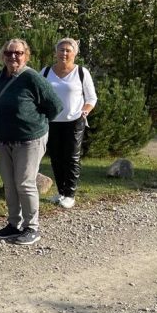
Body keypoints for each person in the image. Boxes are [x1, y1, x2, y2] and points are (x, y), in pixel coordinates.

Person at [0, 39, 63, 246]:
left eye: (18, 53)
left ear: (26, 55)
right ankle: (14, 224)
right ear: (3, 55)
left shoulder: (32, 78)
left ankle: (32, 227)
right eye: (9, 53)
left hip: (30, 139)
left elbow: (55, 106)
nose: (13, 56)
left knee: (25, 182)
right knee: (9, 184)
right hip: (4, 139)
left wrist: (35, 122)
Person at [42, 38, 97, 209]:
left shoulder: (81, 72)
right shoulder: (45, 72)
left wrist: (85, 111)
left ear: (75, 53)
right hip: (52, 121)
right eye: (61, 50)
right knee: (56, 158)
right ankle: (61, 192)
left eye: (68, 50)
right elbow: (36, 93)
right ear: (56, 52)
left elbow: (91, 98)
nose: (64, 53)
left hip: (74, 120)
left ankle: (70, 194)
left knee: (72, 158)